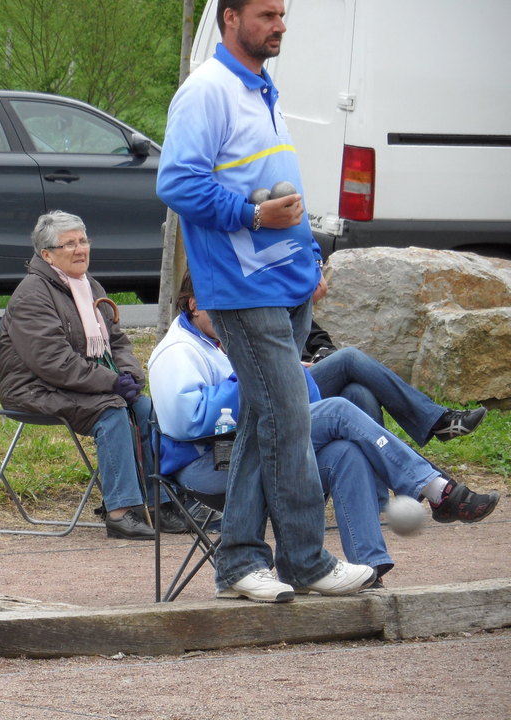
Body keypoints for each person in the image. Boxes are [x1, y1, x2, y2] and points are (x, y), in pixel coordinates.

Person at [156, 0, 375, 602]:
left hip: (285, 282)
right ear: (229, 18)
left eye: (282, 15)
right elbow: (175, 182)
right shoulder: (208, 90)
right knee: (288, 415)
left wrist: (307, 263)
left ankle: (239, 563)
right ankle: (304, 560)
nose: (279, 25)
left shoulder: (262, 88)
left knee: (260, 423)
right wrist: (251, 214)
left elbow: (282, 188)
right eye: (265, 15)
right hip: (240, 286)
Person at [148, 271, 501, 588]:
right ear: (193, 304)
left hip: (258, 447)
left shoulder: (226, 338)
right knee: (339, 410)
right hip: (208, 466)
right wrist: (254, 381)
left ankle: (370, 569)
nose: (231, 314)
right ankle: (437, 487)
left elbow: (302, 398)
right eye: (221, 307)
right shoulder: (177, 351)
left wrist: (279, 372)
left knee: (346, 451)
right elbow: (185, 421)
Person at [0, 210, 168, 540]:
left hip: (82, 383)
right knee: (111, 412)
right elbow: (53, 362)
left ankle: (157, 505)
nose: (80, 249)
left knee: (144, 409)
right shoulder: (32, 294)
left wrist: (130, 376)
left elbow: (117, 341)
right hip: (34, 388)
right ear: (46, 255)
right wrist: (111, 383)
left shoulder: (88, 285)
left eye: (83, 240)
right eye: (70, 244)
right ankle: (120, 513)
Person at [303, 324, 489, 444]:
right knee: (349, 358)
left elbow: (318, 339)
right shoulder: (274, 300)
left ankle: (378, 497)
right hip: (283, 392)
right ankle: (436, 423)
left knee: (359, 393)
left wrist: (323, 357)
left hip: (309, 381)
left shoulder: (289, 300)